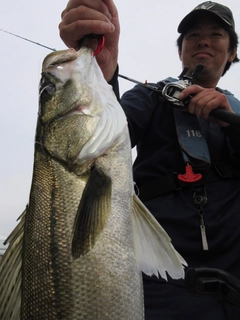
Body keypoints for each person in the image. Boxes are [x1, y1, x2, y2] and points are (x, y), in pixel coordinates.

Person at [59, 1, 240, 319]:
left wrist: (229, 122)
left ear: (233, 53)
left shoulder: (236, 111)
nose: (203, 40)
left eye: (216, 34)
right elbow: (95, 142)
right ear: (181, 50)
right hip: (155, 287)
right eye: (193, 34)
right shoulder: (150, 96)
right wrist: (99, 76)